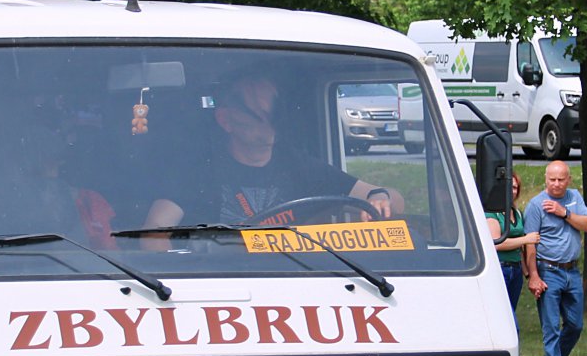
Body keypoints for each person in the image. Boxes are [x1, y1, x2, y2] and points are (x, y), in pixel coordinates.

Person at [141, 74, 404, 243]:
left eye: (275, 115)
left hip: (299, 281)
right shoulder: (198, 171)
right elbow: (153, 232)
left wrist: (380, 199)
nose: (271, 124)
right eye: (260, 115)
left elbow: (392, 199)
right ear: (225, 119)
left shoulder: (299, 165)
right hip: (223, 285)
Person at [525, 160, 587, 356]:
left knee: (575, 325)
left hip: (571, 270)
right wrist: (533, 276)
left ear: (568, 179)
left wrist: (564, 213)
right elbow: (530, 245)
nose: (556, 184)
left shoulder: (574, 197)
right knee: (552, 325)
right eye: (552, 179)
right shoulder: (536, 205)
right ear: (545, 179)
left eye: (561, 179)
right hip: (548, 270)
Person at [485, 170, 539, 356]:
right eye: (510, 186)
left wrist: (529, 274)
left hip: (515, 270)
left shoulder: (517, 212)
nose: (513, 191)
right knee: (511, 324)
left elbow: (523, 248)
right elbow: (496, 243)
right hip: (500, 270)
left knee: (508, 320)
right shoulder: (493, 213)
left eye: (516, 187)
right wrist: (525, 239)